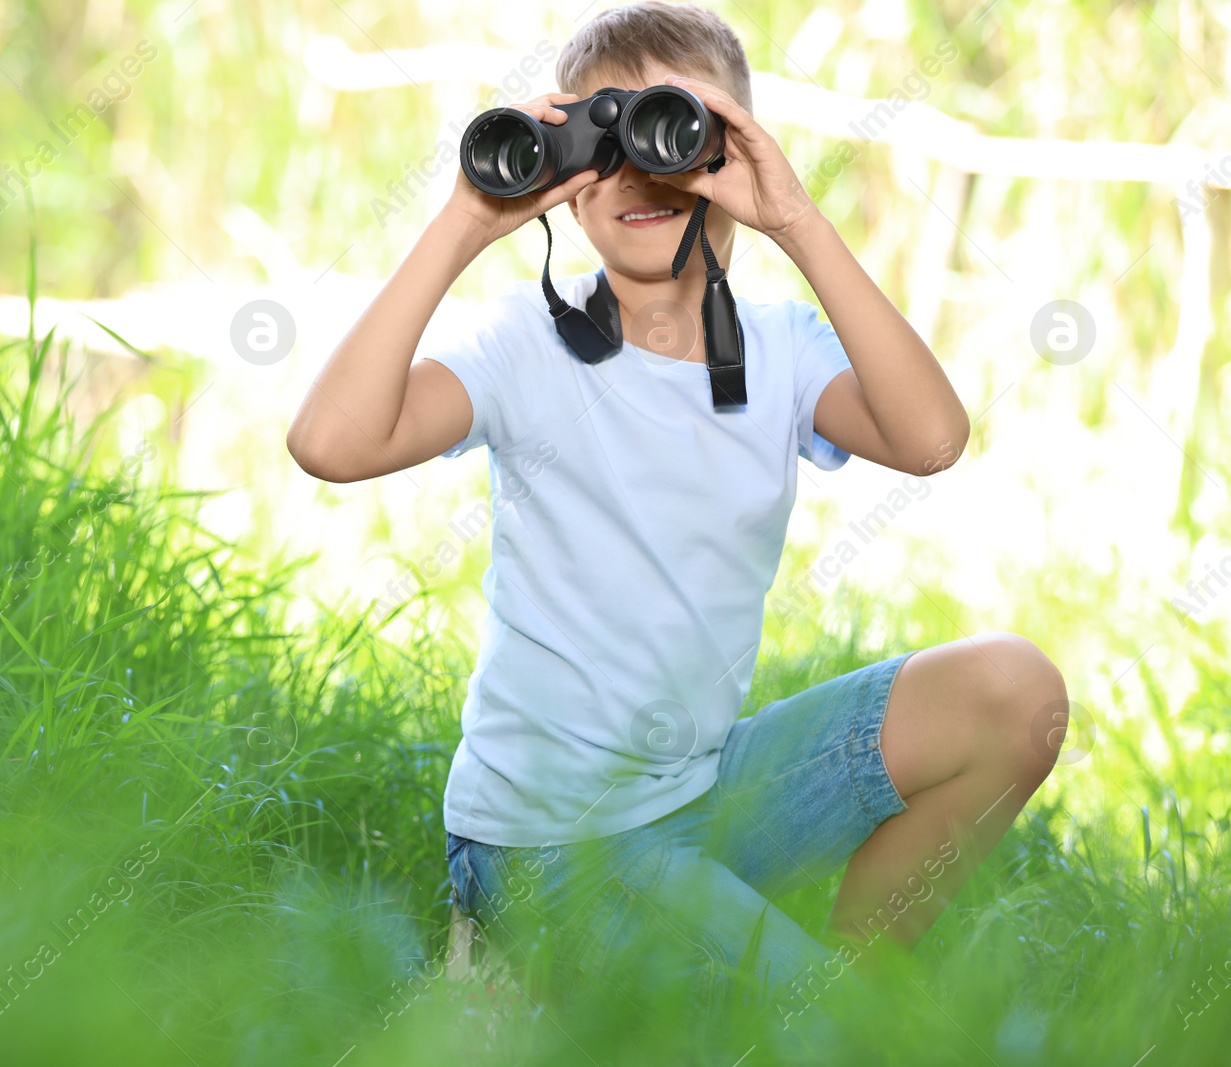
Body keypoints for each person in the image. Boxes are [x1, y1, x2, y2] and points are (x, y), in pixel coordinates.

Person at [287, 0, 1068, 1030]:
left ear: (732, 151)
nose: (638, 173)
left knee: (1012, 690)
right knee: (815, 1036)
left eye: (670, 132)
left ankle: (847, 976)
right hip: (548, 845)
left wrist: (795, 216)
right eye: (596, 143)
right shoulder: (529, 342)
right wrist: (467, 221)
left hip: (698, 791)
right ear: (562, 187)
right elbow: (329, 444)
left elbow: (928, 437)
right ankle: (519, 962)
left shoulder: (782, 345)